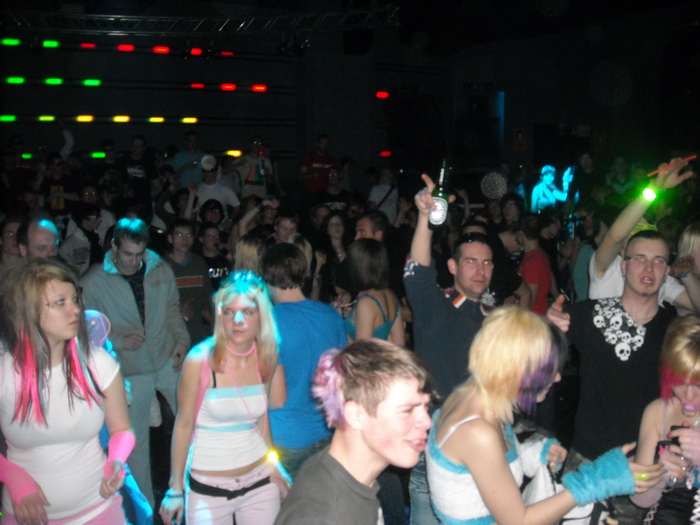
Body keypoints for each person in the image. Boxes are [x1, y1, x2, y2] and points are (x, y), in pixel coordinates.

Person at [426, 305, 663, 524]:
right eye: (547, 369)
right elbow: (518, 521)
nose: (557, 377)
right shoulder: (478, 431)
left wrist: (532, 454)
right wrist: (598, 480)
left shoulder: (472, 395)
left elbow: (478, 469)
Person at [0, 260, 135, 524]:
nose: (75, 309)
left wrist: (116, 460)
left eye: (75, 299)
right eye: (60, 302)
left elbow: (122, 431)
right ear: (28, 311)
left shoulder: (98, 363)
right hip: (25, 517)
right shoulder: (5, 372)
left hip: (98, 509)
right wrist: (11, 475)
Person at [159, 271, 286, 525]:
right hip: (208, 488)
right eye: (229, 311)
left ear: (261, 316)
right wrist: (175, 489)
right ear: (219, 315)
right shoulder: (199, 360)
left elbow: (261, 421)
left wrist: (275, 465)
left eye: (247, 312)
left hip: (260, 481)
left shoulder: (267, 356)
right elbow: (183, 425)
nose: (237, 320)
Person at [81, 217, 190, 507]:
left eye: (139, 254)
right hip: (130, 369)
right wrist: (118, 340)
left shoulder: (159, 268)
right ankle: (146, 509)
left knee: (192, 422)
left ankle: (192, 492)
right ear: (114, 246)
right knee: (135, 443)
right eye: (128, 254)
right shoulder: (93, 282)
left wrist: (182, 339)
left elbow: (172, 308)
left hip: (166, 358)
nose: (134, 261)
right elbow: (85, 329)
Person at [275, 338, 432, 524]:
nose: (427, 422)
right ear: (356, 415)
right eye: (407, 410)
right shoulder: (326, 516)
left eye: (425, 407)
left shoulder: (341, 474)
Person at [261, 242, 348, 478]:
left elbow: (273, 399)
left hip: (283, 438)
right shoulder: (331, 316)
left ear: (267, 277)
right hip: (326, 433)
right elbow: (344, 376)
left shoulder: (268, 323)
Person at [631, 315, 700, 524]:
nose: (688, 396)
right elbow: (639, 495)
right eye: (679, 382)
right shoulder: (657, 412)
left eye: (698, 385)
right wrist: (657, 472)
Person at [344, 238, 404, 345]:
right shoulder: (390, 295)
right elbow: (399, 344)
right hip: (384, 356)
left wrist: (339, 320)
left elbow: (361, 351)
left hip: (364, 356)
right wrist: (353, 316)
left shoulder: (366, 303)